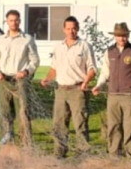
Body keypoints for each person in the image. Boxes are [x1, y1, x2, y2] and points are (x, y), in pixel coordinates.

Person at [40, 16, 97, 158]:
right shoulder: (58, 47)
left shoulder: (84, 46)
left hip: (78, 91)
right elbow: (54, 68)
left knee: (80, 124)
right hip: (61, 91)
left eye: (74, 28)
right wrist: (47, 78)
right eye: (68, 29)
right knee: (59, 124)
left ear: (78, 29)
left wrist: (86, 82)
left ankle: (83, 155)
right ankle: (59, 153)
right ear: (64, 30)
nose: (71, 31)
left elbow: (92, 69)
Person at [92, 22, 131, 158]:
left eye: (124, 35)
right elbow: (105, 72)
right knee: (113, 126)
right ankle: (114, 155)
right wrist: (98, 85)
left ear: (128, 35)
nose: (121, 38)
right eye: (118, 36)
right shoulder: (109, 51)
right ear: (115, 36)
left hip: (128, 95)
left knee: (130, 126)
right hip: (113, 95)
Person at [0, 10, 40, 147]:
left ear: (20, 21)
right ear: (7, 22)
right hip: (3, 80)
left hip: (20, 80)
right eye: (11, 20)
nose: (14, 23)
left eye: (16, 20)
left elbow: (35, 60)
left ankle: (26, 143)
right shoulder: (1, 39)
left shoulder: (27, 39)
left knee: (23, 111)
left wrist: (26, 71)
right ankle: (7, 142)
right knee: (4, 112)